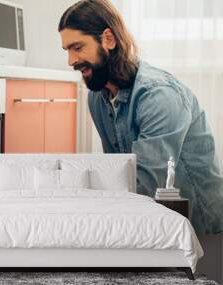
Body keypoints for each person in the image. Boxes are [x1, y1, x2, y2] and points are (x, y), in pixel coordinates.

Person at [58, 0, 223, 234]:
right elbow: (117, 172)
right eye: (67, 50)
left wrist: (76, 201)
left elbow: (145, 187)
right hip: (151, 220)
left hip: (200, 231)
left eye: (77, 47)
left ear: (108, 39)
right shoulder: (97, 97)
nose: (71, 61)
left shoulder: (159, 96)